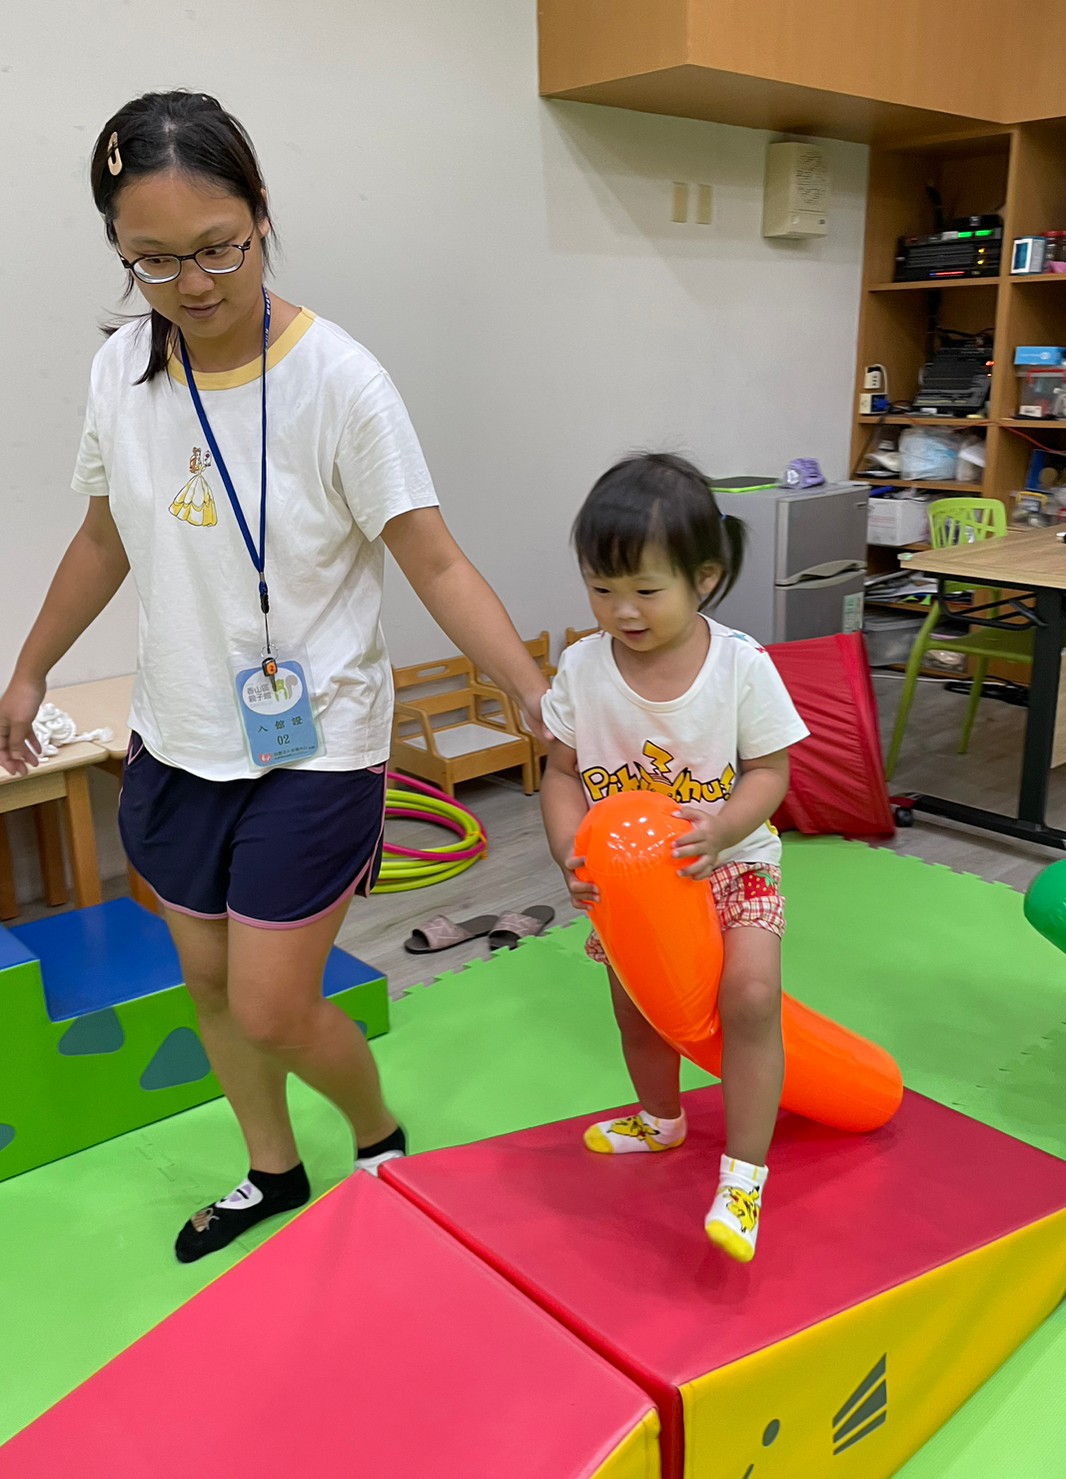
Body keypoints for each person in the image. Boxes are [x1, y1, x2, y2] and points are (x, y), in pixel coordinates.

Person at [0, 90, 548, 1263]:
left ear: (260, 215)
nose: (191, 285)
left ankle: (379, 1133)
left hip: (316, 747)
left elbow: (433, 557)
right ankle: (271, 1169)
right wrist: (29, 671)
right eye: (151, 260)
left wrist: (531, 693)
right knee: (208, 984)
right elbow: (105, 539)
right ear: (119, 251)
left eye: (216, 248)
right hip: (177, 735)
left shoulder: (341, 382)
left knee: (271, 1002)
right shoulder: (119, 374)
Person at [540, 453, 809, 1263]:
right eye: (599, 587)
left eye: (645, 591)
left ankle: (744, 1174)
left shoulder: (738, 665)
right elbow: (557, 773)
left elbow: (771, 771)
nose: (620, 610)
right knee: (640, 1009)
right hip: (632, 887)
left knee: (751, 995)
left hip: (734, 861)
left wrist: (725, 827)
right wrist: (565, 848)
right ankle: (659, 1117)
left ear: (704, 579)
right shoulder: (582, 669)